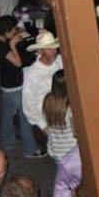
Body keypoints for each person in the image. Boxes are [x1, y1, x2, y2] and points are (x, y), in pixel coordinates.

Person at [0, 17, 37, 157]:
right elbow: (17, 62)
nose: (16, 31)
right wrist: (12, 45)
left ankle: (8, 142)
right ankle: (30, 149)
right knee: (25, 117)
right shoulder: (2, 46)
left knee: (7, 114)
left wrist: (17, 33)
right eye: (13, 30)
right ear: (6, 32)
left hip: (6, 84)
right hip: (15, 86)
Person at [38, 71, 80, 197]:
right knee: (75, 186)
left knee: (63, 184)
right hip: (71, 153)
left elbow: (47, 124)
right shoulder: (71, 106)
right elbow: (75, 133)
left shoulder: (48, 100)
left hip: (56, 150)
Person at [23, 31, 64, 159]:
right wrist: (43, 125)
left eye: (54, 48)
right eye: (49, 49)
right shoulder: (32, 73)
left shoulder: (60, 61)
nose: (53, 52)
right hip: (50, 121)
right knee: (61, 156)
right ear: (40, 51)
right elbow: (28, 102)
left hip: (67, 114)